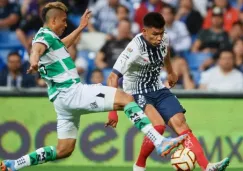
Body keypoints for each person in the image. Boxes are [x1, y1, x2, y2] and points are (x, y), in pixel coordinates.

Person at [0, 2, 187, 171]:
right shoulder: (42, 36)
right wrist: (33, 61)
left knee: (64, 149)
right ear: (54, 19)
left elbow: (61, 45)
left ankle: (14, 164)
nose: (66, 24)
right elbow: (36, 49)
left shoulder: (52, 40)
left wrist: (80, 28)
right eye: (64, 21)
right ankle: (159, 141)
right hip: (73, 92)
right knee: (126, 98)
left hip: (61, 101)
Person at [106, 12, 230, 171]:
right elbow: (112, 77)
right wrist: (112, 111)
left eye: (161, 33)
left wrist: (170, 72)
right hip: (136, 92)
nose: (159, 38)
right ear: (144, 32)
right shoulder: (133, 48)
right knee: (158, 126)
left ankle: (207, 166)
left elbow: (165, 53)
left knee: (181, 124)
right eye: (155, 34)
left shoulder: (164, 38)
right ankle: (139, 166)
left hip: (158, 88)